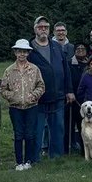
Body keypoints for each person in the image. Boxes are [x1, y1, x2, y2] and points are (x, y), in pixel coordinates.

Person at [28, 15, 70, 160]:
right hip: (37, 98)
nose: (43, 29)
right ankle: (34, 157)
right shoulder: (28, 49)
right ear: (35, 29)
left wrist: (69, 90)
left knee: (58, 127)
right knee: (36, 129)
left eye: (46, 27)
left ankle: (56, 157)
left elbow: (66, 70)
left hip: (58, 95)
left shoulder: (57, 47)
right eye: (40, 27)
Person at [0, 39, 45, 171]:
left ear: (28, 53)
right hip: (15, 108)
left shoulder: (34, 69)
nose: (22, 54)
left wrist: (34, 95)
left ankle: (29, 161)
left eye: (24, 52)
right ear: (15, 53)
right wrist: (12, 96)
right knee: (18, 134)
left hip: (31, 106)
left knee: (30, 134)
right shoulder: (9, 70)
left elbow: (41, 86)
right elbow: (3, 89)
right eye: (19, 51)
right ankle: (19, 162)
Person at [68, 41, 89, 152]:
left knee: (84, 125)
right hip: (73, 99)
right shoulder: (69, 63)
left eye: (83, 48)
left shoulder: (90, 63)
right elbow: (67, 80)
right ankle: (69, 147)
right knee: (71, 124)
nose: (80, 50)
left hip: (86, 100)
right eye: (78, 49)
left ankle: (85, 148)